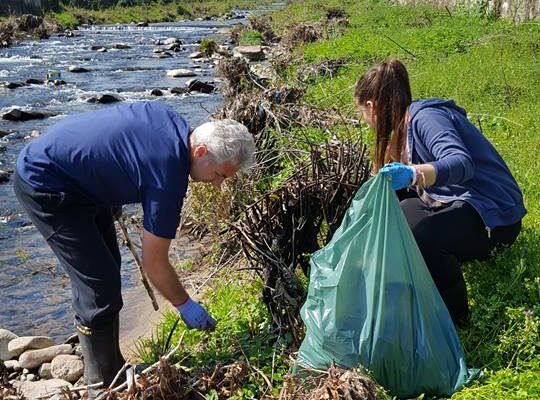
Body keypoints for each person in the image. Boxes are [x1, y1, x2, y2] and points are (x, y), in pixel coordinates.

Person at [13, 101, 255, 396]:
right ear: (201, 152)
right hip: (45, 184)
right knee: (98, 284)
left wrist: (112, 187)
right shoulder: (168, 176)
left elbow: (119, 143)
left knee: (108, 269)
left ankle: (112, 365)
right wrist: (185, 305)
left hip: (80, 179)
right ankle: (100, 385)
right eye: (220, 175)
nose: (217, 185)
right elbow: (154, 262)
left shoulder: (172, 119)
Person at [354, 59, 525, 325]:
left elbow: (461, 162)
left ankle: (455, 320)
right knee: (397, 209)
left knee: (418, 230)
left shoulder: (426, 118)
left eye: (362, 115)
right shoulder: (403, 129)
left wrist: (413, 173)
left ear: (371, 107)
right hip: (465, 203)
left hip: (497, 216)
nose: (365, 122)